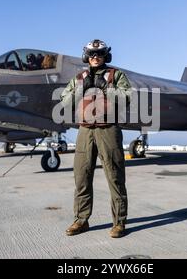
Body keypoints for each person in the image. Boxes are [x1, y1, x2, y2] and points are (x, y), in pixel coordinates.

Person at [60, 39, 132, 238]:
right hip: (85, 131)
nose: (95, 57)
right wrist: (82, 89)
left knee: (115, 177)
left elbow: (128, 97)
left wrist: (105, 88)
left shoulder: (115, 75)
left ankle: (119, 223)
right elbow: (65, 102)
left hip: (108, 130)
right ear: (86, 56)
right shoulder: (79, 78)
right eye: (91, 54)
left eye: (99, 54)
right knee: (81, 177)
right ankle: (81, 220)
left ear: (105, 56)